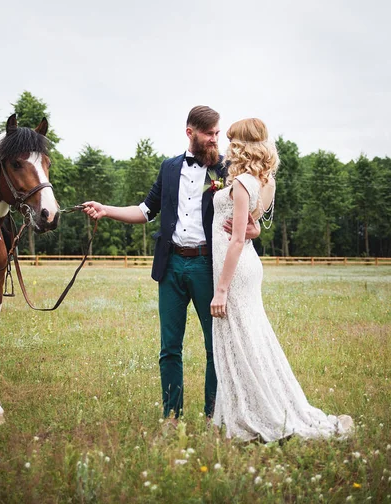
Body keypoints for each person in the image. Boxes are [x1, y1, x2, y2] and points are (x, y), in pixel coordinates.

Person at [82, 106, 259, 425]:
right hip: (172, 266)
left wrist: (255, 227)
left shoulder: (226, 169)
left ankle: (212, 415)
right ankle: (171, 417)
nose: (215, 140)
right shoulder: (168, 168)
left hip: (208, 264)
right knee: (169, 348)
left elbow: (254, 201)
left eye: (218, 133)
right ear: (190, 132)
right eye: (209, 134)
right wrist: (106, 210)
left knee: (215, 345)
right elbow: (145, 211)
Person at [210, 117, 354, 442]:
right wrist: (254, 229)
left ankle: (256, 415)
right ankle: (250, 407)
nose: (227, 148)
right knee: (250, 339)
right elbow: (252, 226)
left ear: (242, 145)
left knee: (241, 342)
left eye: (232, 141)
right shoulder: (265, 179)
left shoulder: (245, 180)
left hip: (234, 269)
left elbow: (236, 239)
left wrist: (220, 289)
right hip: (246, 265)